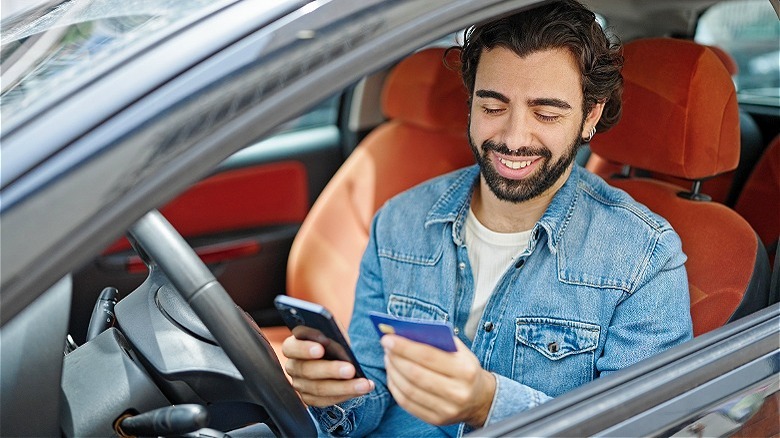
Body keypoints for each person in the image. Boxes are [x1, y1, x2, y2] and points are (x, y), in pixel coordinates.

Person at [282, 0, 693, 436]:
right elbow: (374, 391)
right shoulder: (399, 223)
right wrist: (331, 394)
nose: (514, 138)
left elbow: (638, 427)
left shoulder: (643, 258)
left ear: (590, 115)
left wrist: (488, 405)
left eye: (546, 114)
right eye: (493, 107)